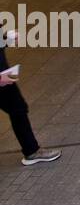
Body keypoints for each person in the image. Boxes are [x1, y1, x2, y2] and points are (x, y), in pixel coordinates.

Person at [0, 32, 60, 165]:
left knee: (18, 108)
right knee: (18, 109)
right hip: (2, 78)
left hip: (4, 75)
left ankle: (31, 150)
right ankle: (31, 151)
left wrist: (6, 38)